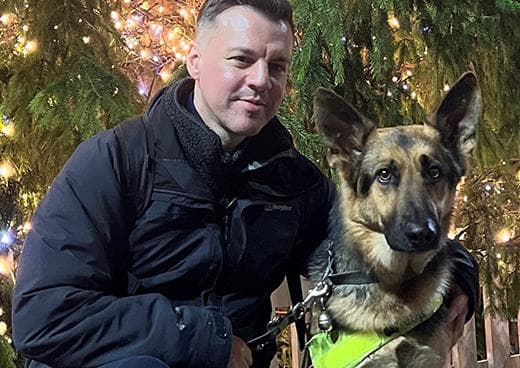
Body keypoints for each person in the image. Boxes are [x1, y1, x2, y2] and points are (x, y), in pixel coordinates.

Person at [12, 1, 478, 367]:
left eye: (276, 66)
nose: (260, 80)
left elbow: (372, 238)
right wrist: (205, 341)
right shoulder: (114, 161)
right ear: (194, 60)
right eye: (241, 60)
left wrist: (461, 273)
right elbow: (43, 315)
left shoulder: (295, 182)